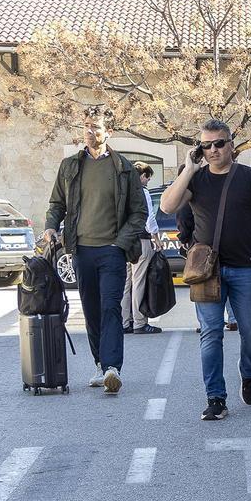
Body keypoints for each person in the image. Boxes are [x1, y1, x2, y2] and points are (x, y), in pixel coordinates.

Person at [160, 119, 251, 421]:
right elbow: (166, 206)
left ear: (231, 145)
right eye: (206, 145)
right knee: (211, 333)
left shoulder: (250, 178)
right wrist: (188, 168)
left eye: (219, 143)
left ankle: (248, 373)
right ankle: (216, 398)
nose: (213, 150)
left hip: (243, 268)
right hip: (206, 271)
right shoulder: (197, 179)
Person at [42, 105, 146, 394]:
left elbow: (138, 213)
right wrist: (51, 226)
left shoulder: (124, 168)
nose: (90, 131)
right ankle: (101, 365)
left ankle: (113, 367)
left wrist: (120, 242)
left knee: (111, 306)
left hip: (112, 250)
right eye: (86, 126)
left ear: (108, 132)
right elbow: (57, 205)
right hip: (81, 250)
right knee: (91, 309)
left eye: (96, 127)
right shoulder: (70, 166)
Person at [177, 191, 239, 332]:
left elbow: (183, 218)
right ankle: (233, 318)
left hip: (201, 246)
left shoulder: (188, 192)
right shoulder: (215, 188)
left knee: (202, 281)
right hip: (227, 243)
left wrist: (184, 239)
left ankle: (207, 322)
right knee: (227, 280)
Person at [121, 162, 163, 334]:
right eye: (147, 177)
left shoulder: (123, 192)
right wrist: (156, 238)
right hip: (141, 241)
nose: (147, 181)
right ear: (141, 176)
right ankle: (139, 322)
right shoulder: (142, 192)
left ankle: (124, 322)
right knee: (139, 282)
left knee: (126, 284)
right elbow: (149, 217)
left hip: (125, 242)